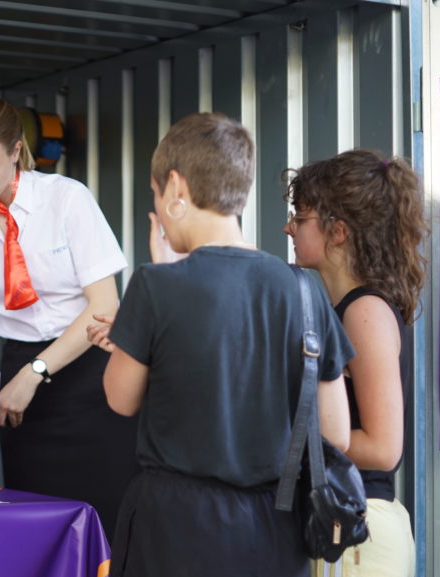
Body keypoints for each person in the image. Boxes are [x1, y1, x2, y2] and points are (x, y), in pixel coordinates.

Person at [91, 112, 353, 576]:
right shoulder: (304, 290)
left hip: (172, 529)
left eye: (155, 192)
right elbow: (335, 434)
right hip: (273, 528)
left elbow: (120, 398)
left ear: (175, 187)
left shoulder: (154, 285)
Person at [0, 95, 139, 535]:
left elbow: (104, 308)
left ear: (17, 151)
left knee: (107, 520)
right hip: (18, 381)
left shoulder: (67, 199)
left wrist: (33, 374)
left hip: (93, 368)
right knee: (35, 522)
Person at [284, 149, 426, 577]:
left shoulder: (364, 311)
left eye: (300, 217)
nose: (288, 227)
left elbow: (383, 449)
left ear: (338, 231)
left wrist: (289, 443)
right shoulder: (340, 307)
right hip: (342, 526)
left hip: (359, 530)